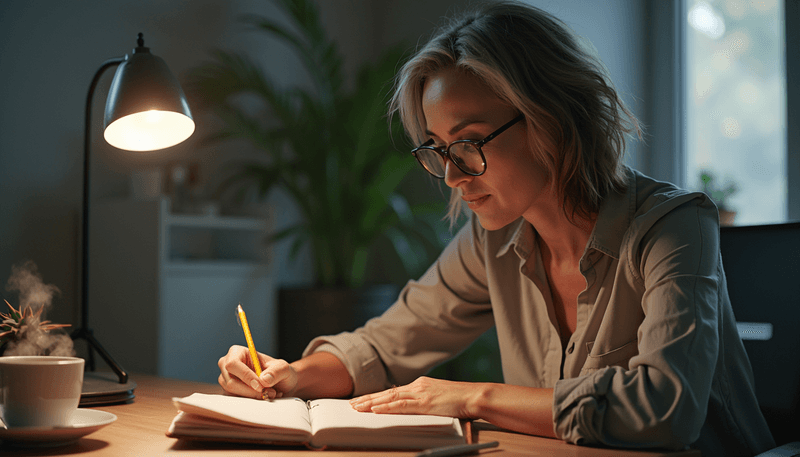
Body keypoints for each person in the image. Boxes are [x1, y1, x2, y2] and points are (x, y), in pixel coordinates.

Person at [217, 1, 775, 455]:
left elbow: (664, 411)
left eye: (470, 143)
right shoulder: (494, 241)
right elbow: (382, 349)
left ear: (551, 118)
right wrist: (289, 376)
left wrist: (473, 397)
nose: (453, 176)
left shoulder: (675, 227)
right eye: (437, 150)